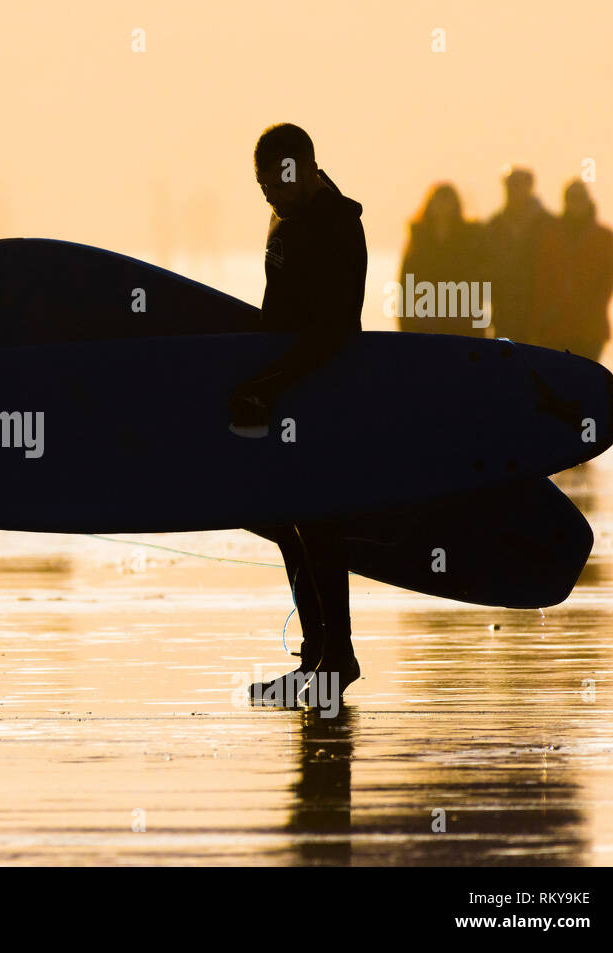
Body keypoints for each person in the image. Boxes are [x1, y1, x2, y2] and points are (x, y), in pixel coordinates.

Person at [231, 123, 366, 707]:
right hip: (285, 387)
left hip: (324, 388)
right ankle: (318, 657)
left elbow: (334, 331)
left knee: (318, 522)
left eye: (277, 185)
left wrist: (271, 385)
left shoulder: (337, 225)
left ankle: (337, 657)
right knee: (287, 519)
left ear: (305, 169)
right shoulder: (282, 213)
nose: (270, 197)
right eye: (262, 188)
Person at [531, 180, 613, 361]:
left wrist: (591, 311)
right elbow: (541, 278)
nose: (575, 202)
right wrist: (542, 317)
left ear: (588, 200)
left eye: (579, 197)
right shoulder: (550, 234)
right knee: (558, 383)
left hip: (591, 329)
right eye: (571, 198)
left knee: (586, 382)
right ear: (565, 201)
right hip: (555, 327)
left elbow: (608, 281)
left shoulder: (604, 237)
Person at [397, 183, 487, 337]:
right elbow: (406, 281)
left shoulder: (469, 237)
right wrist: (405, 321)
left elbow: (478, 277)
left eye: (447, 201)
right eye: (439, 201)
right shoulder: (419, 238)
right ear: (430, 205)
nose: (443, 207)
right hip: (425, 319)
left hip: (461, 318)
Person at [484, 167, 552, 345]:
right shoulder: (494, 225)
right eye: (509, 185)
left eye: (517, 185)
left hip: (540, 313)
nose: (511, 190)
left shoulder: (548, 225)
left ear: (530, 187)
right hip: (503, 311)